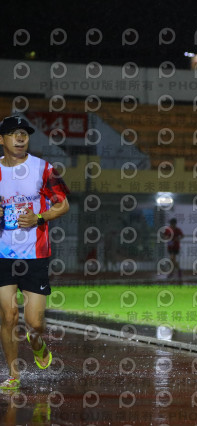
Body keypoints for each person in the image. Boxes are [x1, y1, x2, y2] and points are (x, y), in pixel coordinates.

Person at [0, 115, 70, 390]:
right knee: (8, 316)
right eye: (13, 133)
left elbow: (63, 204)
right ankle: (13, 375)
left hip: (35, 255)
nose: (20, 138)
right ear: (1, 139)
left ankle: (37, 342)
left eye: (24, 133)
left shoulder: (43, 168)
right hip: (3, 255)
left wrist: (39, 217)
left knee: (35, 323)